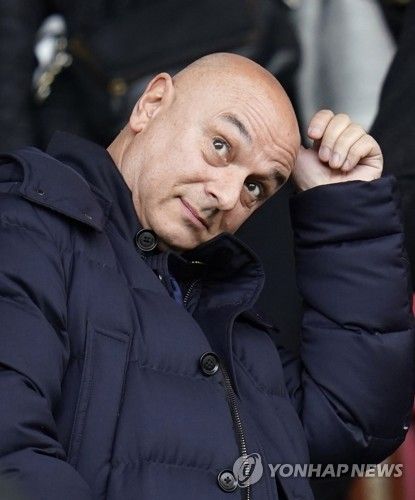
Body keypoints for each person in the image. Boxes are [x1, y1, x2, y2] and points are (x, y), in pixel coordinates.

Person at [0, 53, 412, 500]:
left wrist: (344, 207)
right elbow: (12, 455)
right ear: (151, 105)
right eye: (221, 147)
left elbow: (353, 427)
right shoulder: (27, 227)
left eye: (255, 187)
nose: (228, 196)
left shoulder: (224, 310)